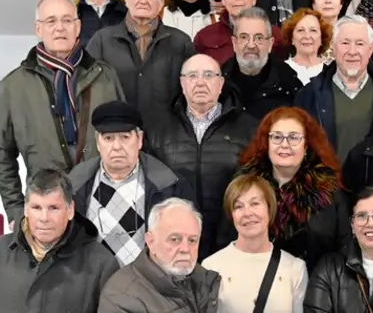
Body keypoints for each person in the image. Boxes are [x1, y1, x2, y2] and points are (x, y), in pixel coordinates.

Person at [0, 0, 125, 229]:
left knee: (106, 266)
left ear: (78, 26)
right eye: (51, 21)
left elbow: (127, 138)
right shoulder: (14, 85)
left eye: (67, 20)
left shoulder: (106, 76)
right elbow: (2, 151)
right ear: (38, 29)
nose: (60, 28)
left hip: (105, 202)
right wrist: (14, 210)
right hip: (46, 207)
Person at [145, 53, 258, 258]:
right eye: (192, 76)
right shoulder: (157, 129)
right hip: (175, 243)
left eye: (208, 75)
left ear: (221, 83)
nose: (200, 82)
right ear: (182, 82)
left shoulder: (248, 128)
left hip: (231, 241)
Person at [217, 107, 351, 271]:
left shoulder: (330, 193)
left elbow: (345, 250)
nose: (284, 145)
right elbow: (225, 243)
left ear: (306, 145)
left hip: (317, 288)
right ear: (267, 143)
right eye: (277, 137)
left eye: (293, 138)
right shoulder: (244, 187)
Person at [0, 169, 118, 313]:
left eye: (53, 208)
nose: (44, 218)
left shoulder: (101, 264)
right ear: (25, 209)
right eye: (36, 207)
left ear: (70, 210)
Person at [69, 100, 196, 266]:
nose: (117, 146)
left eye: (125, 137)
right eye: (108, 138)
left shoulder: (170, 186)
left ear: (140, 139)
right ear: (98, 143)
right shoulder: (75, 185)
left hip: (148, 286)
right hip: (94, 287)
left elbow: (189, 243)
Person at [87, 0, 197, 125]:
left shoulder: (181, 42)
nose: (143, 0)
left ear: (161, 4)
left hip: (167, 138)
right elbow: (86, 92)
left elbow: (192, 94)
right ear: (126, 0)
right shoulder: (101, 41)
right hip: (117, 137)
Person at [202, 174, 308, 312]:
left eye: (255, 204)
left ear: (269, 209)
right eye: (238, 206)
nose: (247, 213)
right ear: (231, 215)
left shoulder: (294, 268)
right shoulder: (212, 266)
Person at [294, 15, 373, 162]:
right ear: (333, 48)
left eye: (359, 44)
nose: (352, 51)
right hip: (326, 183)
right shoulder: (308, 96)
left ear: (370, 49)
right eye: (345, 43)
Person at [98, 198, 221, 312]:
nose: (185, 249)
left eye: (192, 240)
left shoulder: (204, 280)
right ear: (151, 241)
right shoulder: (121, 296)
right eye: (175, 239)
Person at [222, 7, 303, 118]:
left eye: (259, 38)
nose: (251, 45)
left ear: (270, 44)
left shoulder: (289, 84)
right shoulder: (219, 84)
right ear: (234, 43)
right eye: (244, 37)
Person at [282, 8, 332, 84]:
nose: (307, 36)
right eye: (300, 30)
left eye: (313, 30)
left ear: (322, 38)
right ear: (292, 38)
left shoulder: (331, 75)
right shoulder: (279, 72)